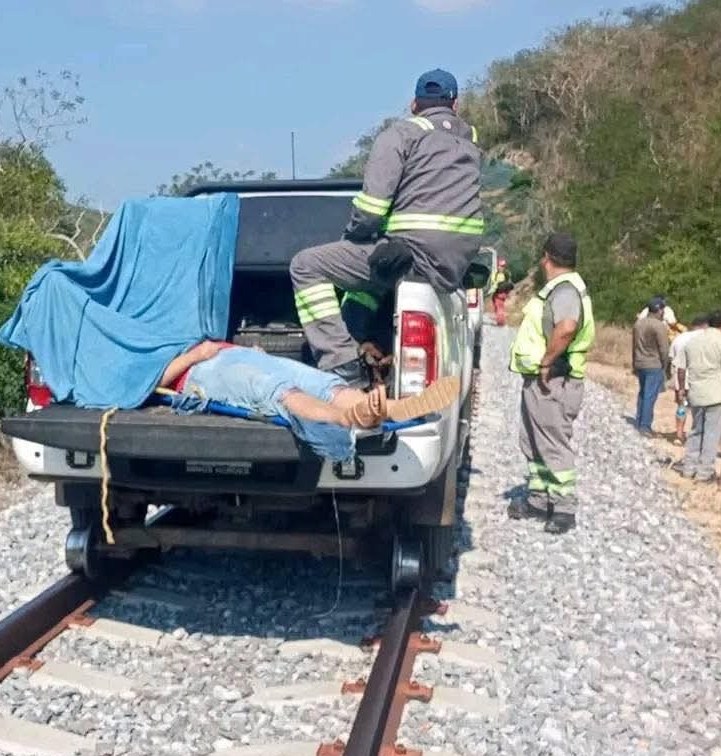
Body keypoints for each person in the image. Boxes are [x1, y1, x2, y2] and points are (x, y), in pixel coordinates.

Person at [289, 69, 483, 384]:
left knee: (306, 265)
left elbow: (371, 210)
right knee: (375, 280)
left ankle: (340, 362)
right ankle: (359, 337)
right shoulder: (469, 143)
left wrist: (352, 238)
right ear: (455, 105)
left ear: (413, 104)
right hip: (452, 263)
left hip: (414, 253)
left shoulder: (402, 134)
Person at [162, 340, 460, 462]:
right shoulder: (135, 337)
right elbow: (147, 382)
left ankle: (395, 407)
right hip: (201, 370)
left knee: (320, 382)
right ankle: (346, 419)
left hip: (233, 352)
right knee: (273, 388)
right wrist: (196, 356)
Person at [508, 233, 595, 534]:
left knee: (553, 444)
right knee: (532, 441)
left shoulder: (565, 291)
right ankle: (538, 499)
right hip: (543, 380)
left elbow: (566, 327)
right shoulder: (563, 288)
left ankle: (563, 508)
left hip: (553, 380)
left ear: (547, 258)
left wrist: (546, 362)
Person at [672, 311, 721, 483]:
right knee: (712, 434)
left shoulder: (693, 341)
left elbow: (681, 368)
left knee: (696, 431)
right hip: (716, 395)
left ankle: (689, 467)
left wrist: (682, 389)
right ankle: (705, 472)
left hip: (695, 393)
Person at [631, 298, 670, 436]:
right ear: (659, 310)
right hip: (654, 364)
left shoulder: (638, 324)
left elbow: (634, 345)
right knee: (650, 395)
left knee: (642, 393)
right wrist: (665, 366)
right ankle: (645, 426)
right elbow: (664, 349)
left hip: (640, 362)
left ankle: (639, 421)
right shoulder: (659, 326)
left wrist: (634, 364)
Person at [668, 316, 707, 445]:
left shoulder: (680, 337)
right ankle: (697, 437)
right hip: (698, 378)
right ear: (704, 325)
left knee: (682, 406)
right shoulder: (705, 338)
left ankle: (679, 434)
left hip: (681, 379)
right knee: (699, 409)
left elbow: (672, 358)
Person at [489, 256, 513, 326]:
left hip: (499, 293)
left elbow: (494, 284)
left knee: (499, 306)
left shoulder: (501, 274)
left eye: (502, 266)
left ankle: (500, 321)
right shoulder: (506, 273)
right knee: (499, 306)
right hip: (501, 293)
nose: (500, 267)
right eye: (500, 266)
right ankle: (500, 320)